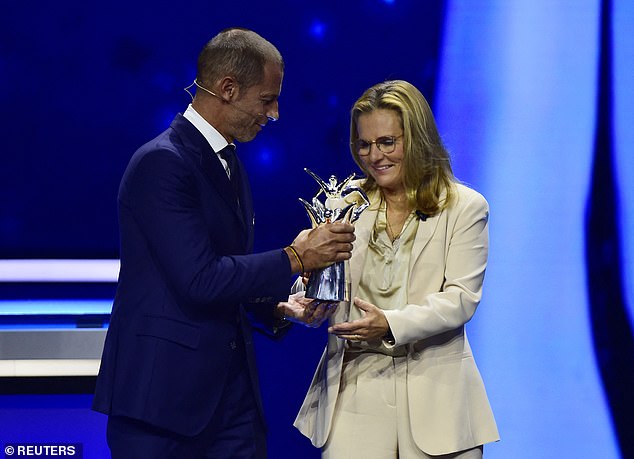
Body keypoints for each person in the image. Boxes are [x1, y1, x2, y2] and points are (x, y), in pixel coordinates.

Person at [92, 28, 355, 459]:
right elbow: (198, 278)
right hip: (160, 408)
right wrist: (296, 256)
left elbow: (225, 268)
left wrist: (275, 306)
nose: (274, 114)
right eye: (267, 99)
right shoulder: (162, 163)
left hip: (230, 403)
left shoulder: (227, 160)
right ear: (228, 89)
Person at [293, 80, 499, 458]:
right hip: (354, 390)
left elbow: (460, 300)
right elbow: (318, 279)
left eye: (388, 142)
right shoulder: (344, 203)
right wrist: (301, 300)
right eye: (364, 144)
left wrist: (389, 323)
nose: (375, 156)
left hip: (437, 396)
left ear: (417, 140)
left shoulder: (465, 207)